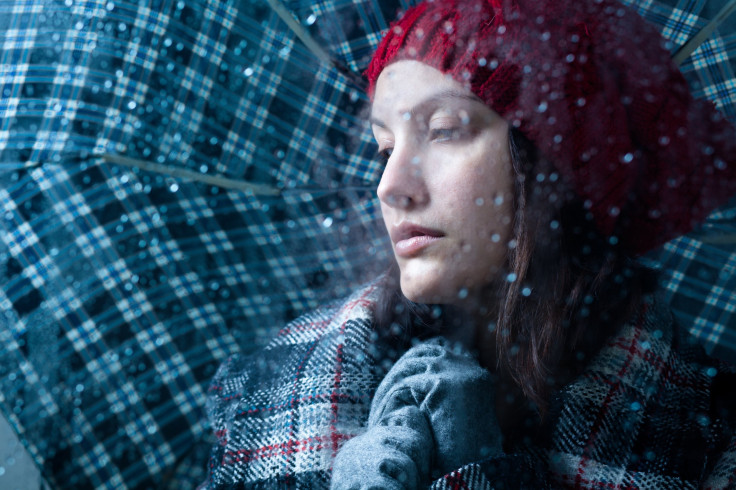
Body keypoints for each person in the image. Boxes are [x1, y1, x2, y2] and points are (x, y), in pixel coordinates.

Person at [201, 0, 736, 488]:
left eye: (445, 130)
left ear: (560, 169)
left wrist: (478, 474)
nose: (389, 185)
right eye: (384, 147)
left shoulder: (707, 444)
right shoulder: (261, 397)